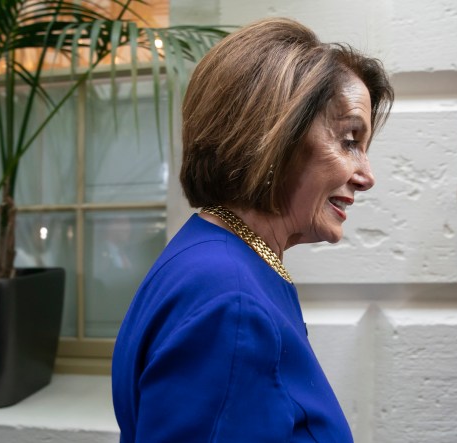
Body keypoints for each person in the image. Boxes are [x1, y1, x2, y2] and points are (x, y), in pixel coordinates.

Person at [112, 17, 393, 442]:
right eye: (349, 140)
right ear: (273, 132)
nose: (366, 175)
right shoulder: (231, 302)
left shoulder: (216, 255)